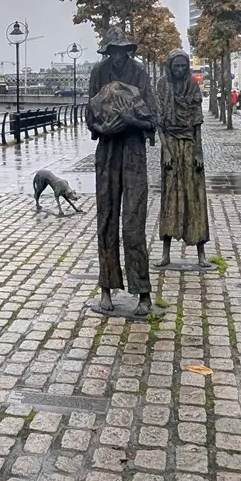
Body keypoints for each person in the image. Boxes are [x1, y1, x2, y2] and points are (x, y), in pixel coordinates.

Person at [86, 27, 157, 315]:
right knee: (106, 219)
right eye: (112, 51)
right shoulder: (98, 72)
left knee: (133, 222)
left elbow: (153, 117)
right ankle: (106, 288)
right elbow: (89, 113)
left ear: (128, 51)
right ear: (107, 52)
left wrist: (131, 120)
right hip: (107, 150)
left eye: (122, 51)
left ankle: (143, 292)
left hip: (133, 150)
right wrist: (101, 127)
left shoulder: (140, 73)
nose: (117, 56)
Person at [156, 49, 210, 268]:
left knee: (194, 196)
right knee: (169, 197)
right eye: (175, 66)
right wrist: (166, 150)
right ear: (169, 67)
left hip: (189, 145)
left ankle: (201, 253)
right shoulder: (162, 86)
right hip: (170, 144)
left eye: (183, 66)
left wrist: (198, 152)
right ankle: (166, 252)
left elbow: (197, 121)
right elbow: (159, 122)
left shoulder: (192, 86)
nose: (179, 70)